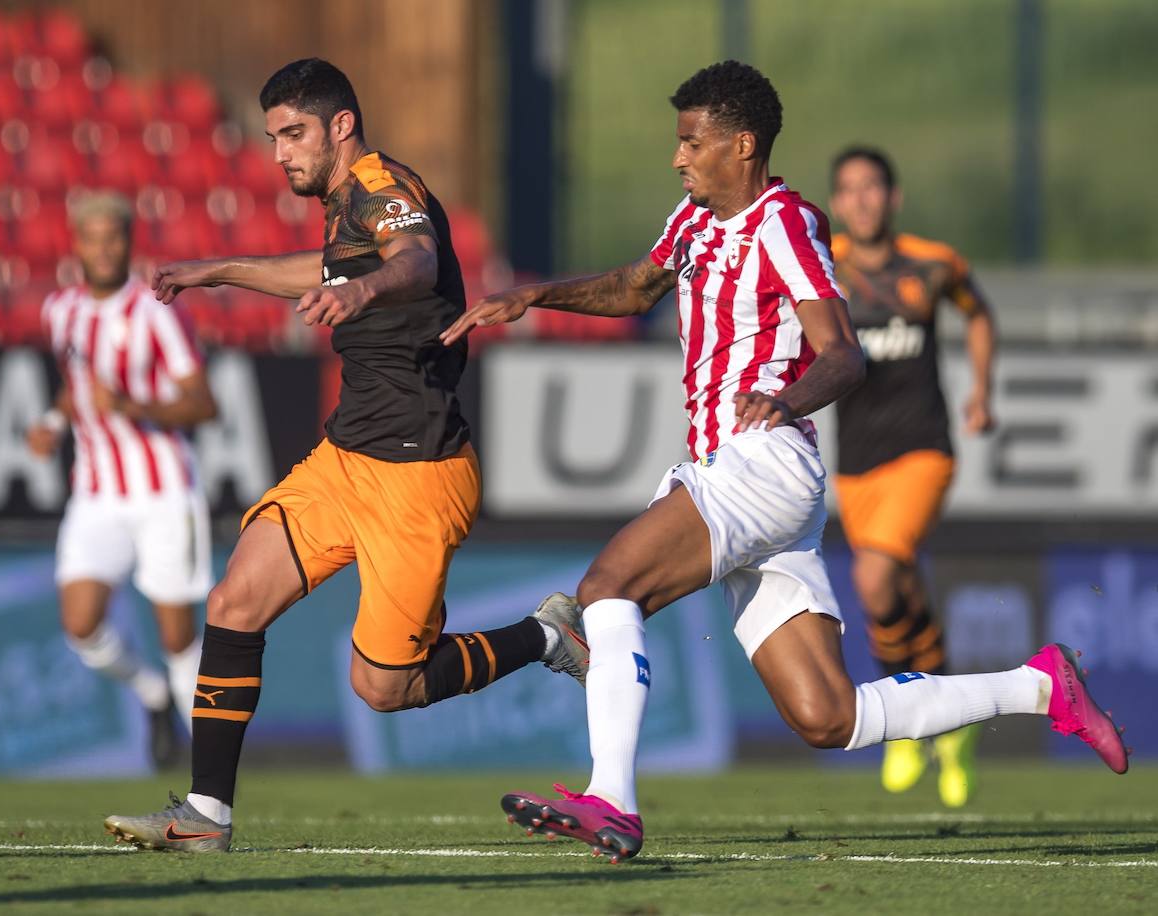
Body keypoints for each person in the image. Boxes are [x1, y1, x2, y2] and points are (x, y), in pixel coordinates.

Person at [442, 60, 1129, 864]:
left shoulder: (786, 222)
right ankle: (1042, 685)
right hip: (754, 482)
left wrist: (788, 401)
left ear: (742, 145)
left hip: (761, 463)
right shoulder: (694, 220)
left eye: (691, 143)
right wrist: (535, 295)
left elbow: (844, 355)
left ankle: (612, 802)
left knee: (607, 589)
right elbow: (634, 289)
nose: (678, 158)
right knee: (827, 718)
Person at [104, 58, 580, 852]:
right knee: (232, 605)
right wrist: (218, 271)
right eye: (271, 138)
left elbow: (418, 258)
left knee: (385, 687)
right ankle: (205, 818)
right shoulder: (342, 207)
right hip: (347, 455)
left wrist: (360, 294)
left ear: (341, 126)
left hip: (418, 472)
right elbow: (323, 269)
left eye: (294, 133)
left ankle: (548, 636)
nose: (280, 152)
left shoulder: (380, 184)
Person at [827, 146, 998, 807]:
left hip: (924, 449)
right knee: (899, 588)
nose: (864, 200)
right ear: (839, 202)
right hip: (855, 463)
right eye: (850, 190)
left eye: (874, 188)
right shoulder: (823, 264)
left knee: (873, 580)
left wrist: (982, 390)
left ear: (893, 198)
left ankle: (904, 721)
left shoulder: (933, 263)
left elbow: (978, 313)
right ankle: (950, 722)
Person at [27, 190, 218, 770]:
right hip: (95, 492)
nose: (105, 248)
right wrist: (53, 421)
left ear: (129, 243)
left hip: (163, 490)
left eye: (115, 237)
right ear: (77, 243)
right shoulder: (59, 311)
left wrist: (133, 406)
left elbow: (204, 404)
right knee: (81, 627)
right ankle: (150, 694)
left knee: (179, 640)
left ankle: (210, 779)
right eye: (94, 237)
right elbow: (75, 384)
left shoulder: (156, 310)